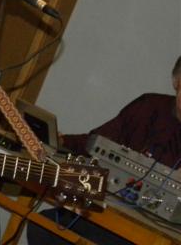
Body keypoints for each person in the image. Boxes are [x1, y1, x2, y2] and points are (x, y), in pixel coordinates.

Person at [27, 55, 181, 245]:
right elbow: (96, 144)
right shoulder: (149, 106)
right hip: (110, 210)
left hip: (153, 234)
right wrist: (60, 141)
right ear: (176, 82)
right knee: (43, 226)